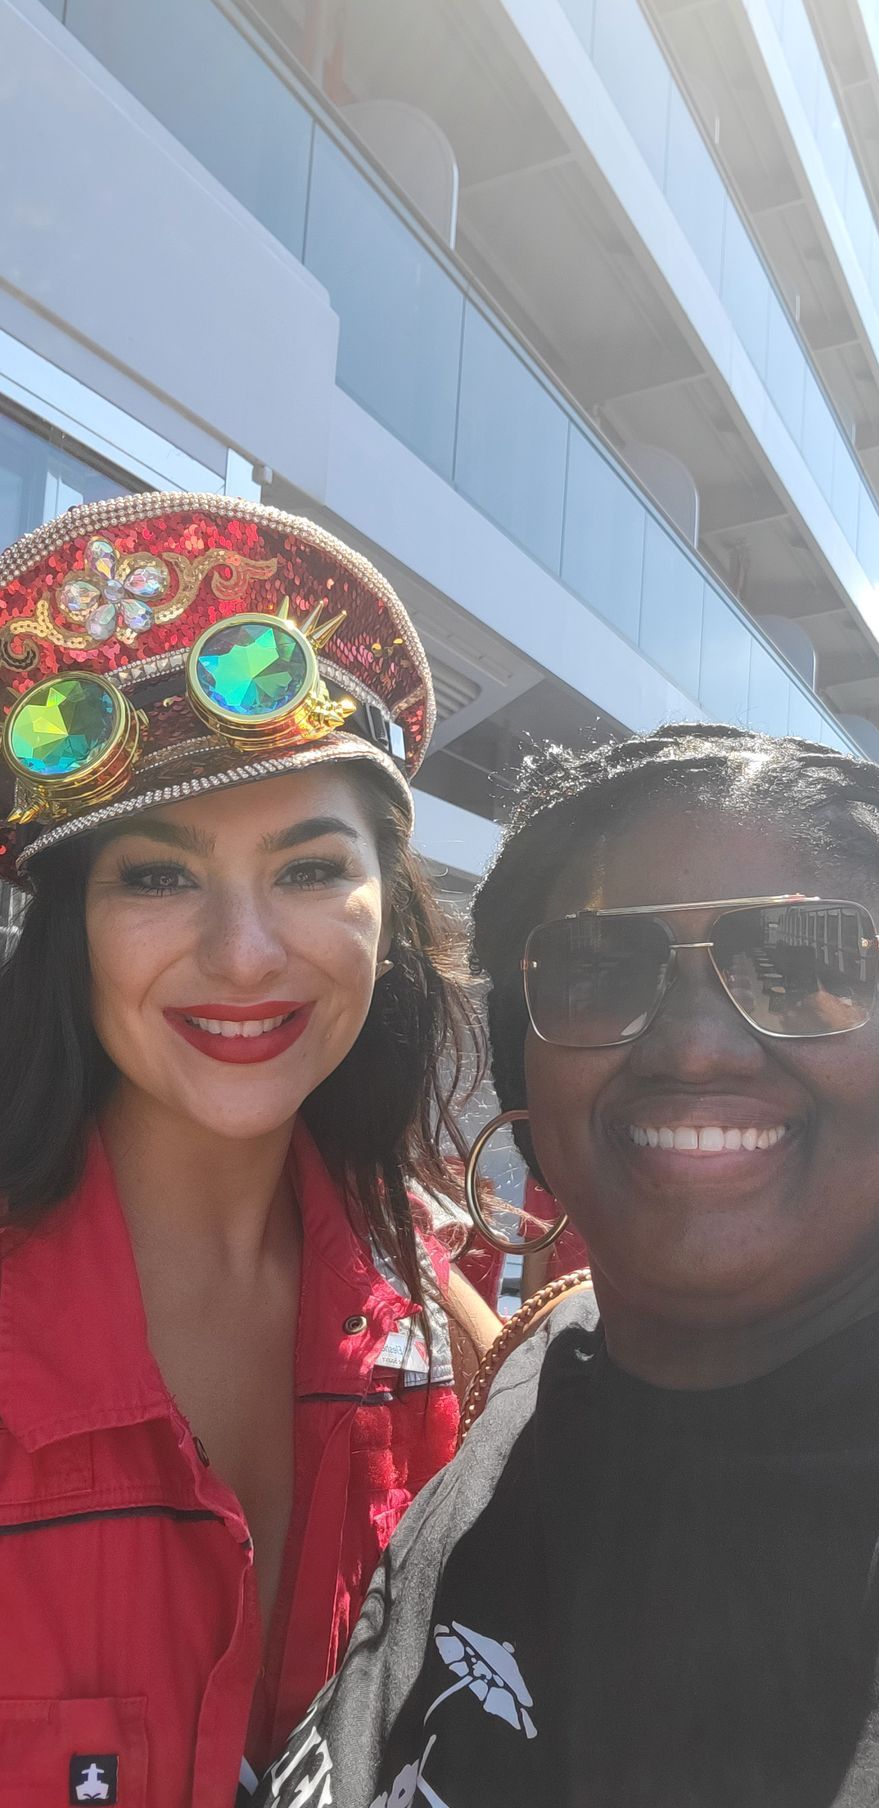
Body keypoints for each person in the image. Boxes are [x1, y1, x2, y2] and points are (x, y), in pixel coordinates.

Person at [258, 723, 879, 1808]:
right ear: (525, 1058)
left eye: (801, 964)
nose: (694, 1045)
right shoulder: (537, 1378)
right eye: (601, 968)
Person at [0, 492, 499, 1806]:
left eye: (308, 868)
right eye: (157, 877)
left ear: (388, 914)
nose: (242, 955)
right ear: (73, 929)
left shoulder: (444, 1326)